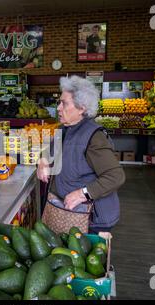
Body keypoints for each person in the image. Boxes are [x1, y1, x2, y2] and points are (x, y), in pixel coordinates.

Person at [37, 75, 125, 234]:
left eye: (64, 103)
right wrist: (42, 162)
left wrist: (83, 194)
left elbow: (115, 176)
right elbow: (48, 150)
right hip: (68, 214)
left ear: (81, 108)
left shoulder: (94, 137)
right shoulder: (64, 130)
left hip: (91, 219)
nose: (58, 108)